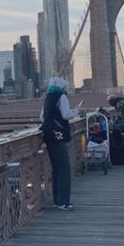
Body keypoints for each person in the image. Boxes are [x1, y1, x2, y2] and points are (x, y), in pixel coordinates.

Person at [41, 76, 77, 210]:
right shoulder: (61, 96)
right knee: (64, 169)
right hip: (59, 136)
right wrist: (75, 112)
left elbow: (42, 117)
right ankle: (64, 202)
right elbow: (66, 115)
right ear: (62, 87)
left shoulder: (48, 97)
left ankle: (57, 200)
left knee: (56, 169)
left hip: (49, 136)